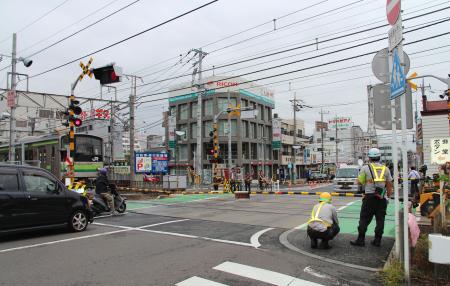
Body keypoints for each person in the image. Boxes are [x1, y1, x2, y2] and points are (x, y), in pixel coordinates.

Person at [351, 148, 393, 247]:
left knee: (364, 219)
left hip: (369, 198)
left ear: (369, 158)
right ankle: (377, 241)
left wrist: (365, 180)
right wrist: (388, 197)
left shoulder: (365, 168)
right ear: (379, 157)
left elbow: (360, 182)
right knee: (380, 220)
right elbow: (389, 184)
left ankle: (361, 240)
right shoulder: (385, 169)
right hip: (381, 198)